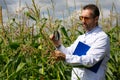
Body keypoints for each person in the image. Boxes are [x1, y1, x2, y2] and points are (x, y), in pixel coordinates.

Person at [49, 4, 110, 80]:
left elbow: (90, 61)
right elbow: (69, 53)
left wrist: (65, 57)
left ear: (96, 19)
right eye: (81, 18)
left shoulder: (102, 38)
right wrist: (57, 44)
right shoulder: (81, 38)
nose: (83, 21)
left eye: (86, 18)